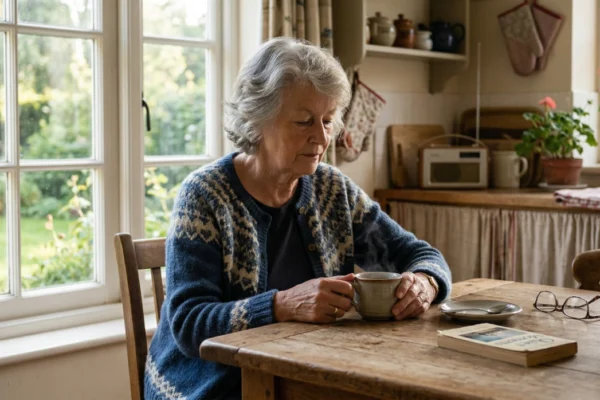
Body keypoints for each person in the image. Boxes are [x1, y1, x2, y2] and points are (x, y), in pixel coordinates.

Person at [145, 37, 452, 400]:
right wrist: (282, 305)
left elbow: (419, 254)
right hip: (209, 387)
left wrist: (426, 282)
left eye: (327, 119)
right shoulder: (205, 196)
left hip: (305, 378)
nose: (321, 137)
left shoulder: (332, 189)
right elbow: (188, 323)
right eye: (304, 121)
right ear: (256, 120)